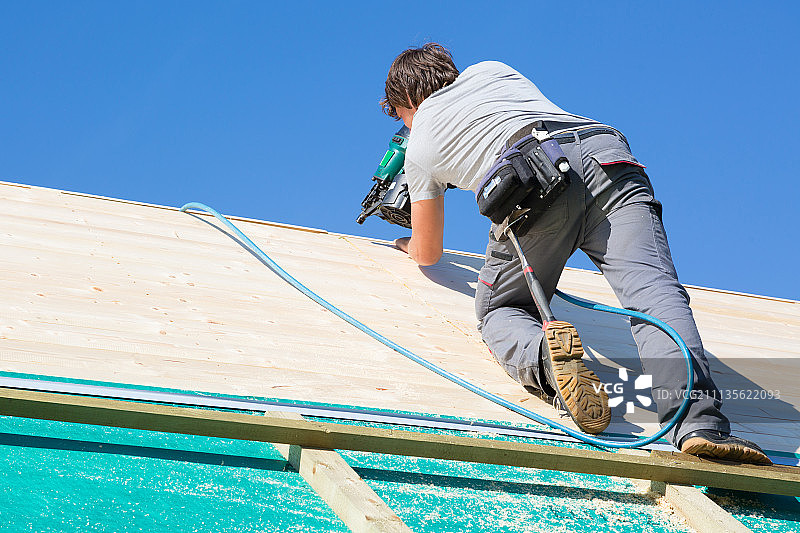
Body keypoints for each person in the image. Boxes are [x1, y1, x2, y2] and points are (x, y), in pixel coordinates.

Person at [384, 43, 770, 465]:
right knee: (654, 293)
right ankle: (699, 424)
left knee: (501, 309)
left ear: (407, 102)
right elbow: (497, 121)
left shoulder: (419, 142)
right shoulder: (492, 69)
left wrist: (408, 241)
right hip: (605, 154)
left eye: (401, 115)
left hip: (533, 182)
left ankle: (548, 363)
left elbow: (428, 252)